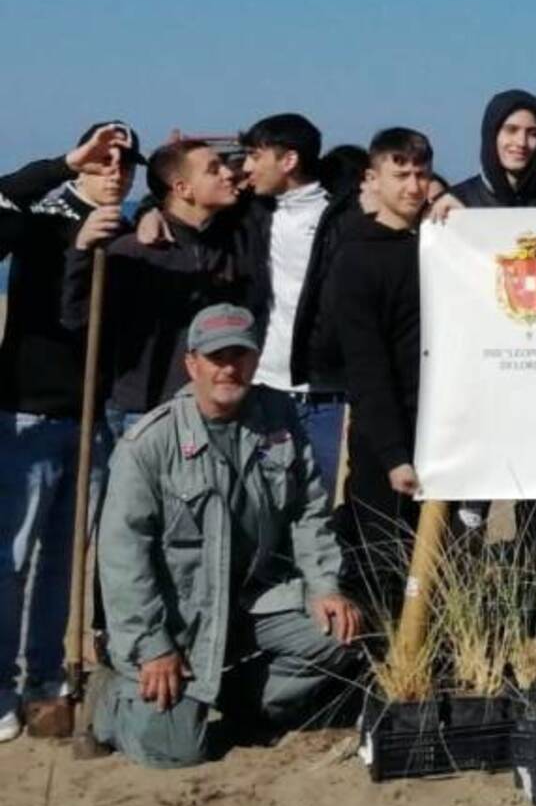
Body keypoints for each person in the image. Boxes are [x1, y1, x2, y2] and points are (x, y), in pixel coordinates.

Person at [92, 304, 361, 768]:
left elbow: (309, 511)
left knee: (338, 635)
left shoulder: (280, 420)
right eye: (217, 357)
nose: (229, 368)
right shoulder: (149, 445)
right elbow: (122, 559)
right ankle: (112, 698)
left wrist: (324, 586)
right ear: (192, 364)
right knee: (176, 752)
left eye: (240, 355)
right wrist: (152, 645)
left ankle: (238, 697)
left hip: (255, 603)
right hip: (180, 621)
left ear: (256, 361)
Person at [0, 123, 138, 742]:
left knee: (63, 561)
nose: (114, 173)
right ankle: (2, 684)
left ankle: (48, 679)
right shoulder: (38, 224)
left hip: (94, 419)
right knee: (11, 560)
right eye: (102, 161)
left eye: (124, 165)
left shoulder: (131, 232)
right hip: (27, 410)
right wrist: (59, 167)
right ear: (81, 166)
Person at [64, 140, 251, 434]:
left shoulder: (229, 243)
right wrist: (81, 252)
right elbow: (81, 319)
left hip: (210, 408)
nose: (227, 174)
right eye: (213, 170)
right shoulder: (136, 251)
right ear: (183, 189)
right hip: (144, 411)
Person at [326, 129, 434, 608]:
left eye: (421, 173)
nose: (413, 186)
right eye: (401, 174)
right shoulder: (355, 256)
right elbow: (366, 366)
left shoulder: (436, 244)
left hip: (438, 429)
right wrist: (394, 455)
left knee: (435, 568)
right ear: (374, 179)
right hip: (384, 441)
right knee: (381, 567)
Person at [238, 114, 356, 496]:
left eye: (256, 155)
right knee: (257, 508)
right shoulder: (252, 211)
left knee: (315, 508)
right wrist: (147, 212)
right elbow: (185, 200)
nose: (247, 166)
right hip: (261, 386)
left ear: (288, 161)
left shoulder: (344, 216)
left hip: (325, 392)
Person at [447, 89, 536, 209]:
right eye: (511, 130)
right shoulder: (457, 200)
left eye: (532, 133)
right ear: (491, 135)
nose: (522, 142)